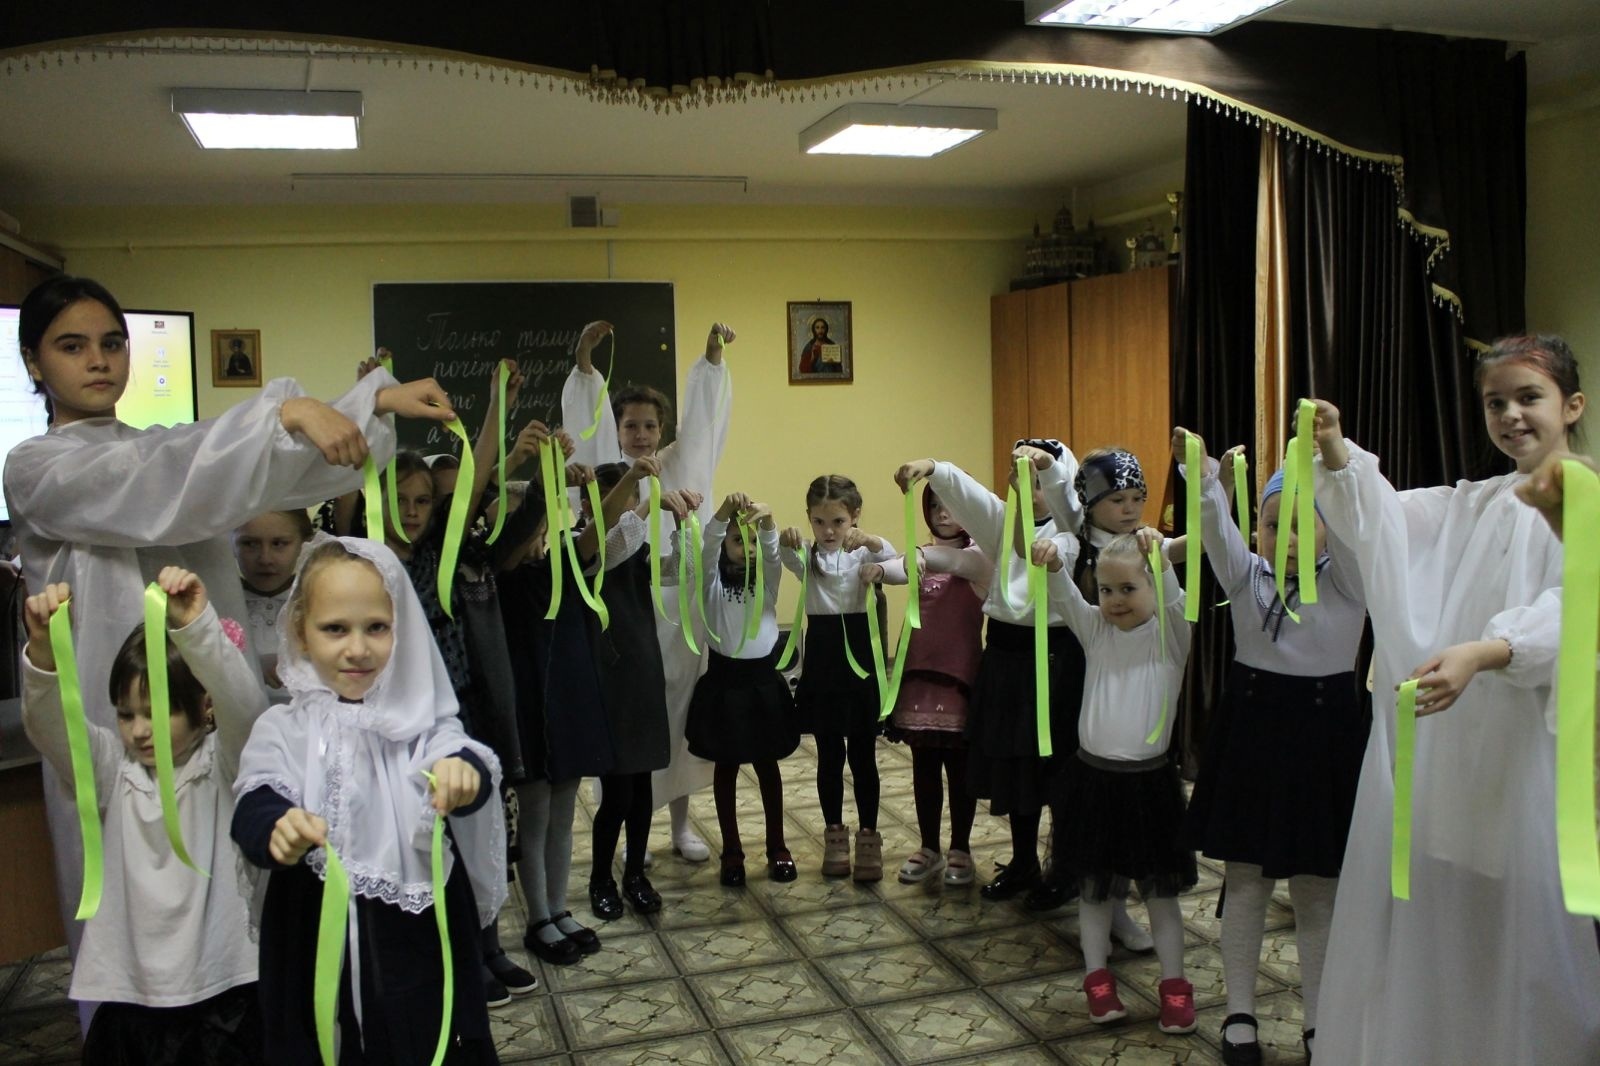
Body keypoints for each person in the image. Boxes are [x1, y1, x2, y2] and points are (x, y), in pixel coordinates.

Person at [4, 275, 452, 967]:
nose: (98, 360)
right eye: (72, 346)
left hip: (214, 723)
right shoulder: (36, 468)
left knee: (236, 909)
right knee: (138, 922)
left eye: (112, 344)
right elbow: (155, 476)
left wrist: (369, 404)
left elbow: (269, 473)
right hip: (117, 733)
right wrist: (286, 412)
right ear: (34, 363)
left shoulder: (180, 455)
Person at [1309, 334, 1600, 1064]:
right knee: (1461, 915)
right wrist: (1339, 454)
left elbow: (1578, 609)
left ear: (1572, 405)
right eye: (1496, 403)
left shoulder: (1585, 499)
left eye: (1528, 398)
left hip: (1528, 749)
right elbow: (1387, 526)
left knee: (1527, 925)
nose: (1510, 416)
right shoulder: (1478, 500)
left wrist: (1487, 651)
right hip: (1458, 749)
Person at [231, 536, 506, 1065]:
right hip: (312, 931)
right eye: (335, 629)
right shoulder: (284, 726)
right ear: (301, 633)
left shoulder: (420, 721)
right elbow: (257, 795)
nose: (357, 649)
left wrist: (460, 775)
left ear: (402, 630)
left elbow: (460, 757)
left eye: (376, 628)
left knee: (422, 1033)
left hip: (415, 934)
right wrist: (277, 825)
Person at [1173, 428, 1367, 1065]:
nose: (1283, 537)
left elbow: (1354, 521)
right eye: (1271, 523)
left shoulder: (1348, 582)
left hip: (1324, 741)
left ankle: (1318, 1021)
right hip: (1252, 736)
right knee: (1247, 880)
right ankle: (1239, 1014)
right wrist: (1203, 476)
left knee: (1317, 890)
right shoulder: (1245, 574)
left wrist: (1332, 469)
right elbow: (1213, 523)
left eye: (1301, 524)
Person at [21, 567, 268, 1064]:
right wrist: (44, 652)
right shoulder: (112, 768)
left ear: (205, 705)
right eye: (126, 713)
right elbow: (50, 725)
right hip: (133, 999)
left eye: (158, 711)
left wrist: (196, 626)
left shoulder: (227, 763)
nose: (139, 730)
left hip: (223, 992)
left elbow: (243, 703)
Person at [563, 320, 734, 864]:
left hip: (678, 615)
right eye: (631, 424)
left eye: (650, 425)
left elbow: (705, 424)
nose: (641, 434)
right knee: (625, 726)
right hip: (624, 617)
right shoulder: (609, 472)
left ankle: (680, 828)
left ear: (663, 429)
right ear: (616, 428)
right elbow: (582, 422)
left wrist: (712, 360)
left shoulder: (682, 462)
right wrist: (585, 362)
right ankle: (621, 831)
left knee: (679, 722)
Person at [1033, 528, 1199, 1035]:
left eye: (1129, 588)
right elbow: (1066, 596)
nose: (1115, 600)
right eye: (1106, 590)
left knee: (1160, 894)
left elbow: (1174, 599)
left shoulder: (1171, 637)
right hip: (1094, 782)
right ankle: (1097, 979)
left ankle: (1175, 985)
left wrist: (1161, 561)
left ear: (1153, 587)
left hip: (1149, 786)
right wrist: (1055, 568)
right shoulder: (1096, 631)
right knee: (1094, 890)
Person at [493, 447, 613, 966]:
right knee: (536, 815)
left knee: (564, 814)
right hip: (526, 713)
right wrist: (547, 481)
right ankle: (538, 916)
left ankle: (559, 907)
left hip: (565, 707)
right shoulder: (498, 579)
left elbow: (597, 531)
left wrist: (597, 490)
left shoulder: (557, 566)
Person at [578, 457, 699, 919]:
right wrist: (647, 504)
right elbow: (614, 547)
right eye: (615, 504)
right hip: (610, 684)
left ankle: (634, 876)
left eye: (628, 502)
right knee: (616, 795)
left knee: (642, 790)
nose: (626, 511)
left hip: (643, 677)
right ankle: (600, 879)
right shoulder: (582, 548)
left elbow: (679, 573)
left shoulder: (638, 549)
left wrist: (682, 526)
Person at [860, 486, 986, 887]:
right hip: (918, 678)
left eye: (952, 505)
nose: (943, 513)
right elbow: (900, 568)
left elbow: (951, 561)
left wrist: (915, 557)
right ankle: (930, 846)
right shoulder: (919, 556)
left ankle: (961, 847)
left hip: (959, 679)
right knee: (924, 766)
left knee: (960, 770)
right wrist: (882, 571)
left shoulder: (979, 558)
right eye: (934, 505)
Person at [779, 474, 895, 880]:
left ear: (854, 516)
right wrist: (786, 538)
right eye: (819, 522)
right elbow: (781, 553)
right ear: (809, 518)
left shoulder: (863, 553)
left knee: (863, 754)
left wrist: (873, 543)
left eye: (838, 522)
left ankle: (869, 838)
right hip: (824, 664)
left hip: (861, 659)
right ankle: (834, 836)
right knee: (829, 755)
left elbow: (896, 561)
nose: (828, 531)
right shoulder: (807, 558)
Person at [686, 492, 800, 887]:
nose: (748, 548)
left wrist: (767, 523)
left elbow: (772, 554)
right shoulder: (712, 586)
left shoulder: (767, 584)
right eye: (739, 540)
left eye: (752, 541)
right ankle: (732, 852)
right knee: (727, 767)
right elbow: (707, 547)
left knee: (768, 767)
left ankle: (777, 847)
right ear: (725, 546)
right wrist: (721, 514)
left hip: (762, 687)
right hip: (724, 687)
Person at [233, 509, 314, 700]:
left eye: (279, 544)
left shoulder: (320, 603)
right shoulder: (218, 602)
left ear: (305, 544)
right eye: (250, 544)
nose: (265, 559)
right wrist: (252, 666)